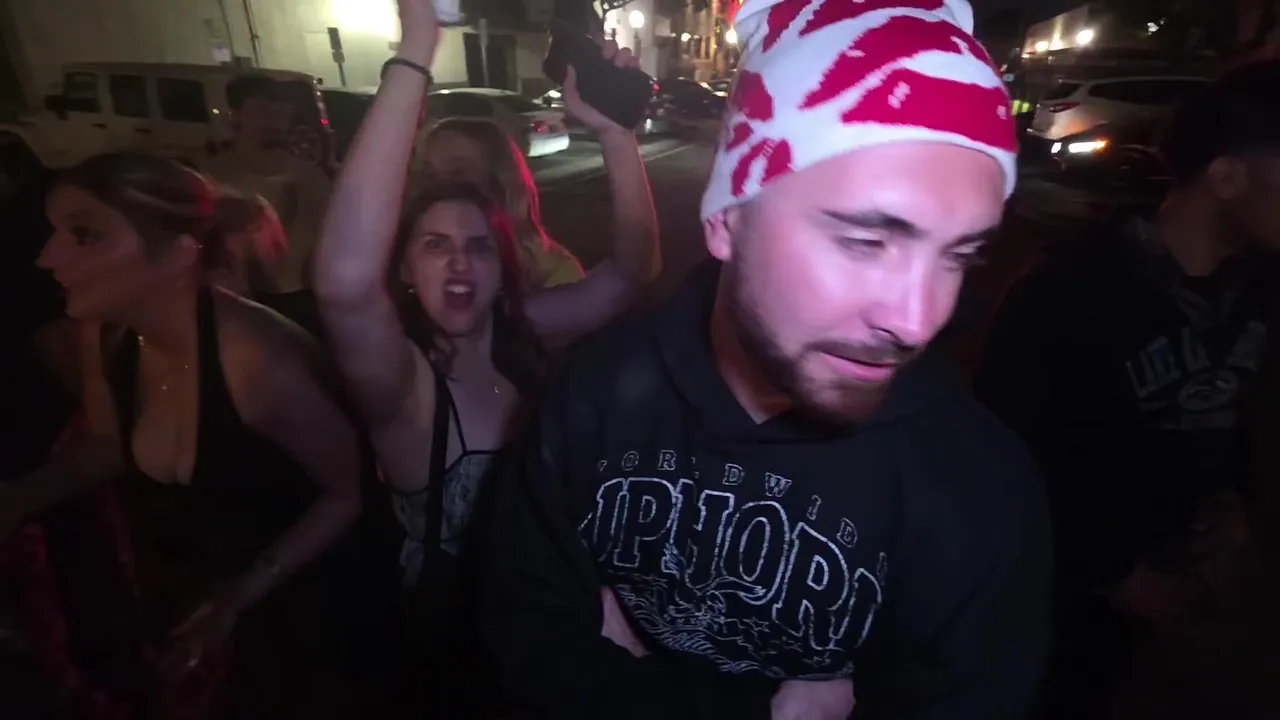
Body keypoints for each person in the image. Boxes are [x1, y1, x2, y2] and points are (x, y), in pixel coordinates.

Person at [479, 1, 1049, 718]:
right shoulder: (594, 395)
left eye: (958, 256)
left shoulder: (977, 488)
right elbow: (522, 646)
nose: (917, 321)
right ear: (727, 217)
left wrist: (623, 681)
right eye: (865, 241)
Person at [312, 0, 659, 713]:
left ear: (504, 269)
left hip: (557, 629)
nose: (459, 263)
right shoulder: (402, 379)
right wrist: (418, 44)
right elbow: (344, 282)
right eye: (434, 245)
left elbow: (631, 273)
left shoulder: (518, 333)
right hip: (463, 663)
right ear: (404, 268)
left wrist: (617, 135)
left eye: (478, 247)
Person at [973, 60, 1280, 718]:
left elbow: (1224, 414)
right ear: (1227, 176)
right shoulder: (1071, 292)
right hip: (1043, 611)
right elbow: (1003, 451)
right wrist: (1109, 570)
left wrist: (1233, 502)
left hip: (1153, 611)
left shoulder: (1253, 294)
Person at [11, 151, 368, 716]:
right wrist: (19, 497)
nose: (45, 256)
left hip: (297, 604)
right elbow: (108, 445)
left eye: (84, 235)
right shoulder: (106, 334)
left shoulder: (252, 361)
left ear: (179, 254)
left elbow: (349, 491)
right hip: (192, 609)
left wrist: (241, 594)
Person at [201, 73, 332, 336]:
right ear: (235, 116)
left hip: (304, 299)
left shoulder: (311, 175)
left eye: (280, 112)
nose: (272, 121)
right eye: (261, 111)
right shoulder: (213, 175)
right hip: (243, 301)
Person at [414, 116, 585, 287]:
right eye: (429, 174)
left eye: (457, 173)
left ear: (501, 186)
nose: (435, 186)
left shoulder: (554, 273)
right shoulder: (410, 251)